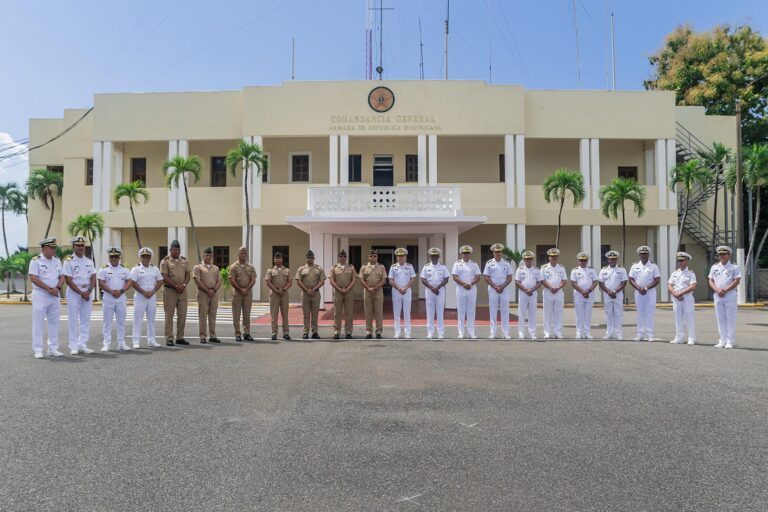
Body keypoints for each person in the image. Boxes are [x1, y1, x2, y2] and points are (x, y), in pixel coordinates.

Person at [29, 237, 64, 359]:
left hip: (55, 295)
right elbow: (33, 278)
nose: (54, 250)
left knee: (54, 322)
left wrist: (58, 289)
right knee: (38, 322)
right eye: (51, 248)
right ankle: (38, 349)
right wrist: (49, 289)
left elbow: (62, 276)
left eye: (54, 248)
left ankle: (53, 348)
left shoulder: (57, 261)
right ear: (44, 248)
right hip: (41, 294)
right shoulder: (36, 261)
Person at [63, 236, 96, 355]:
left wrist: (89, 291)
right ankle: (73, 345)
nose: (81, 247)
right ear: (73, 247)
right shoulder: (68, 261)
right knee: (73, 319)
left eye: (82, 245)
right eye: (78, 245)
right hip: (74, 293)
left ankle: (83, 344)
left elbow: (93, 277)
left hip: (87, 292)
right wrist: (82, 292)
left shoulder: (89, 261)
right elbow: (69, 280)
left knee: (85, 319)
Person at [98, 246, 132, 352]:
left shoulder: (125, 269)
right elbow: (101, 282)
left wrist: (121, 291)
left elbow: (129, 281)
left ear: (119, 258)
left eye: (116, 257)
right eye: (112, 257)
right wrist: (111, 291)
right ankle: (106, 344)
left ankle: (121, 343)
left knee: (121, 322)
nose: (114, 259)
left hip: (121, 297)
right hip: (108, 297)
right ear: (109, 258)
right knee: (107, 322)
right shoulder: (103, 269)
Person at [708, 245, 741, 349]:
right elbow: (710, 280)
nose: (722, 256)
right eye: (720, 254)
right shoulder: (714, 267)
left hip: (730, 295)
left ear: (729, 255)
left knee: (730, 318)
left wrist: (725, 290)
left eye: (724, 254)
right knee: (720, 318)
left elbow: (736, 281)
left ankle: (730, 340)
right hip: (718, 295)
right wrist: (717, 290)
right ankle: (722, 340)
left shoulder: (734, 267)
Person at [130, 247, 163, 348]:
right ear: (140, 257)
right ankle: (136, 341)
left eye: (147, 256)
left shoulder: (155, 268)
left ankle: (151, 340)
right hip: (140, 296)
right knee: (138, 319)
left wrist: (153, 291)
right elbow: (133, 282)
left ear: (150, 257)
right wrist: (144, 292)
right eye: (143, 256)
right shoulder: (136, 269)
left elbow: (160, 281)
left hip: (152, 297)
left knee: (151, 319)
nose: (145, 258)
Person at [160, 240, 190, 346]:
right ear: (170, 250)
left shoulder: (184, 261)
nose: (177, 251)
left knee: (182, 315)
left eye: (178, 249)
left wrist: (183, 285)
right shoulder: (165, 261)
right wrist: (176, 285)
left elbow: (188, 275)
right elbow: (164, 276)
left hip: (182, 291)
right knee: (169, 315)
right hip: (170, 291)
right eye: (175, 250)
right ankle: (169, 338)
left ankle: (180, 337)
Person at [628, 245, 661, 341]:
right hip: (638, 292)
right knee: (640, 313)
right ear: (639, 255)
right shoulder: (634, 266)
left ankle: (650, 334)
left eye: (645, 254)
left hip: (650, 292)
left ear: (648, 254)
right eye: (642, 254)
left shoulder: (654, 266)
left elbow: (657, 279)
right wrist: (639, 288)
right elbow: (631, 279)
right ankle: (640, 334)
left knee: (649, 312)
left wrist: (646, 288)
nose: (643, 255)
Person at [483, 243, 515, 339]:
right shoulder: (489, 263)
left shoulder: (506, 263)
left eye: (499, 252)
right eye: (496, 252)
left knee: (505, 311)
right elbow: (486, 277)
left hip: (504, 289)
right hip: (493, 289)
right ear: (493, 253)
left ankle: (505, 333)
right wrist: (495, 287)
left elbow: (509, 278)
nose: (498, 253)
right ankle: (493, 332)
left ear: (501, 253)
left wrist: (502, 287)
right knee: (493, 311)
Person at [452, 245, 482, 339]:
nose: (466, 254)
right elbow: (455, 276)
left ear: (469, 254)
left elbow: (478, 277)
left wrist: (470, 284)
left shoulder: (474, 264)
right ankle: (461, 333)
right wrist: (464, 284)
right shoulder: (457, 264)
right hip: (461, 289)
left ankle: (471, 332)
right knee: (461, 311)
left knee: (471, 311)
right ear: (461, 254)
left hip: (472, 289)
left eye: (467, 253)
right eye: (464, 253)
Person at [295, 250, 326, 340]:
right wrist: (306, 290)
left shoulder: (318, 268)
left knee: (315, 314)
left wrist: (313, 289)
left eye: (311, 257)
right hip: (305, 294)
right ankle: (305, 332)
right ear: (306, 258)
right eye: (308, 257)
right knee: (306, 314)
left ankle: (315, 332)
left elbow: (322, 281)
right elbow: (298, 281)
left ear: (314, 258)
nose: (310, 259)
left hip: (315, 294)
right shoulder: (301, 269)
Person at [421, 247, 450, 340]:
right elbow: (423, 279)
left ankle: (440, 333)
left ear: (438, 256)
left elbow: (446, 279)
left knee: (440, 311)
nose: (434, 257)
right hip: (429, 291)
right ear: (430, 256)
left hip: (440, 291)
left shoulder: (443, 267)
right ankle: (430, 333)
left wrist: (437, 287)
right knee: (430, 312)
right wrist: (431, 288)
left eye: (436, 255)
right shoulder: (426, 267)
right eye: (432, 255)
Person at [228, 246, 257, 342]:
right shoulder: (233, 266)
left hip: (247, 293)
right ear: (238, 254)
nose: (243, 254)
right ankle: (237, 333)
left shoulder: (251, 267)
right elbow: (232, 280)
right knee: (236, 314)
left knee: (247, 314)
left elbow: (253, 279)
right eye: (242, 253)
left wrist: (247, 289)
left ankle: (247, 333)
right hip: (237, 293)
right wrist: (240, 289)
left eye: (245, 253)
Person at [668, 251, 697, 345]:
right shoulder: (674, 273)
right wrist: (674, 293)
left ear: (686, 261)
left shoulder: (690, 273)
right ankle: (679, 337)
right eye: (679, 260)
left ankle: (691, 338)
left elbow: (693, 286)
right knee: (678, 318)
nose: (680, 262)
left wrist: (681, 293)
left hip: (687, 298)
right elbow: (670, 285)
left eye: (682, 260)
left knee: (689, 317)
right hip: (676, 298)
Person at [193, 247, 221, 344]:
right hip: (203, 293)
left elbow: (219, 281)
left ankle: (213, 335)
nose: (209, 257)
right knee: (203, 315)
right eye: (207, 255)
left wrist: (213, 290)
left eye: (210, 255)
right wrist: (206, 290)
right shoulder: (198, 267)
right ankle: (203, 336)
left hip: (213, 293)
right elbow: (197, 280)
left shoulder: (216, 268)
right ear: (203, 255)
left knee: (213, 315)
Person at [598, 251, 627, 340]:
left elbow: (624, 282)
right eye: (610, 259)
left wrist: (614, 291)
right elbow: (601, 282)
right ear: (608, 260)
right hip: (607, 295)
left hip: (618, 294)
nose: (612, 260)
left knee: (618, 314)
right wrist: (608, 292)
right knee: (609, 313)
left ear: (617, 259)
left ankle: (618, 333)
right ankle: (609, 332)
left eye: (614, 259)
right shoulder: (604, 270)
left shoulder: (621, 270)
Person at [389, 247, 416, 339]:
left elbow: (412, 279)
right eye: (399, 256)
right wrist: (399, 288)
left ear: (405, 257)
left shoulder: (410, 266)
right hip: (396, 291)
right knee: (396, 312)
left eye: (402, 256)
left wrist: (405, 288)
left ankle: (407, 332)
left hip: (407, 291)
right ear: (396, 257)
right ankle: (397, 332)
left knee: (407, 312)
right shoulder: (393, 267)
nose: (401, 257)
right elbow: (390, 280)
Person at [570, 252, 599, 339]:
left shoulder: (592, 270)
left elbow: (595, 282)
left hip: (589, 295)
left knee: (588, 314)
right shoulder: (575, 270)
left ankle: (587, 332)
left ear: (587, 261)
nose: (583, 262)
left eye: (585, 260)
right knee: (579, 314)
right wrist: (583, 291)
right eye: (581, 260)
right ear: (579, 261)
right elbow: (573, 283)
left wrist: (589, 290)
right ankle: (579, 332)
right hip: (579, 295)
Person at [515, 250, 542, 340]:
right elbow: (517, 281)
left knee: (532, 314)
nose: (528, 260)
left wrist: (532, 289)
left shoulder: (536, 270)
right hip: (523, 293)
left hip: (533, 294)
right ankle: (521, 333)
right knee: (521, 313)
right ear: (524, 259)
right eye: (526, 259)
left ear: (532, 259)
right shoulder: (520, 269)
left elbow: (539, 282)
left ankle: (532, 333)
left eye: (530, 259)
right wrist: (525, 290)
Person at [541, 248, 567, 339]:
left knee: (558, 313)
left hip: (559, 293)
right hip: (548, 292)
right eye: (552, 256)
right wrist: (550, 287)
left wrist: (558, 287)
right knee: (547, 313)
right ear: (549, 258)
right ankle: (547, 333)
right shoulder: (544, 268)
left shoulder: (561, 268)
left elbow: (564, 280)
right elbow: (542, 280)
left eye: (555, 256)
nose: (554, 258)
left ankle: (557, 332)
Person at [265, 251, 292, 341]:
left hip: (284, 294)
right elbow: (268, 282)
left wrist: (283, 289)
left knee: (285, 314)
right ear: (274, 259)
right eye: (276, 258)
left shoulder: (287, 270)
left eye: (279, 258)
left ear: (282, 259)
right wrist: (276, 290)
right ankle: (274, 333)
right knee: (274, 315)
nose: (278, 259)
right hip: (274, 294)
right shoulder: (270, 270)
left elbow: (290, 282)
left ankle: (286, 333)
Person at [360, 250, 387, 339]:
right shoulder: (364, 267)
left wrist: (375, 288)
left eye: (374, 256)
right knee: (368, 312)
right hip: (367, 292)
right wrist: (368, 288)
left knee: (379, 312)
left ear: (377, 257)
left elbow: (383, 280)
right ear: (368, 257)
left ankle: (378, 331)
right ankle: (369, 331)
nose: (373, 257)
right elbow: (361, 280)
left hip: (378, 291)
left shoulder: (381, 267)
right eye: (371, 256)